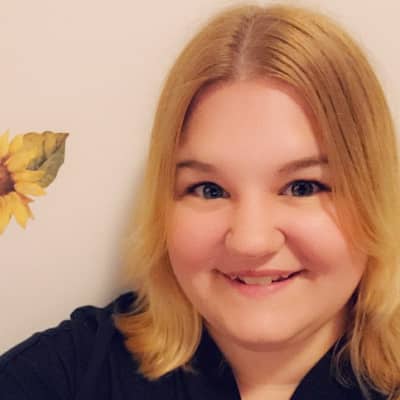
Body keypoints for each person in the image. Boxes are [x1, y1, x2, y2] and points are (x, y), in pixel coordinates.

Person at [1, 3, 399, 399]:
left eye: (303, 187)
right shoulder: (64, 376)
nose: (250, 241)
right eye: (210, 189)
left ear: (374, 195)